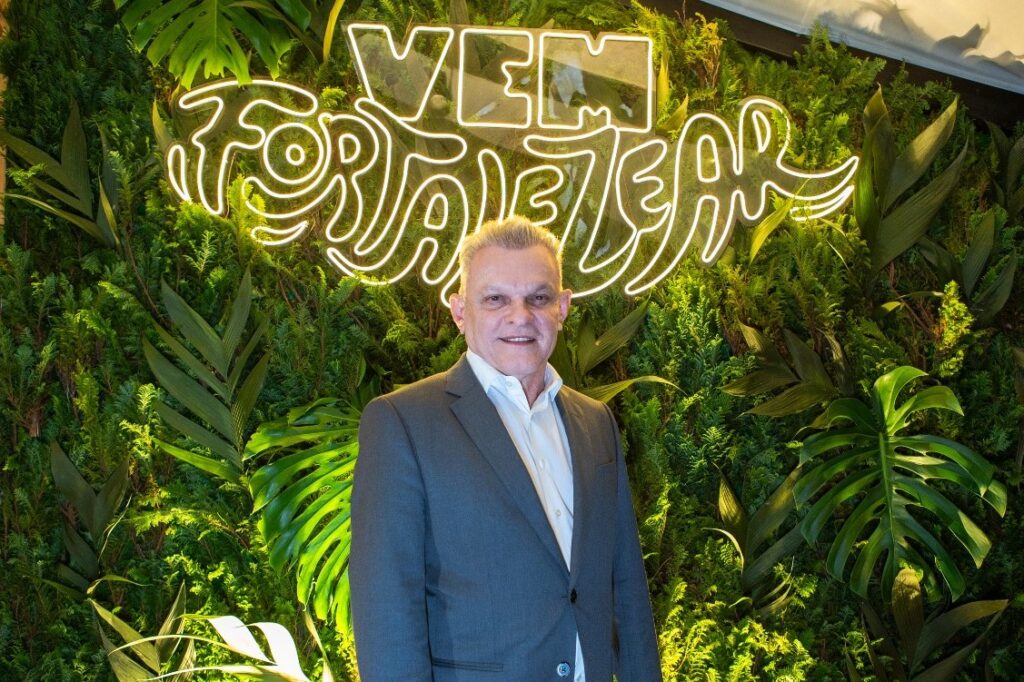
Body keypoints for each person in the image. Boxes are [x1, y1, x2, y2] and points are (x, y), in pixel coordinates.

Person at [350, 216, 662, 681]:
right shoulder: (403, 422)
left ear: (562, 307)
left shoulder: (595, 422)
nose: (520, 316)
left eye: (538, 298)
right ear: (460, 312)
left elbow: (627, 585)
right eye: (496, 299)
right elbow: (387, 612)